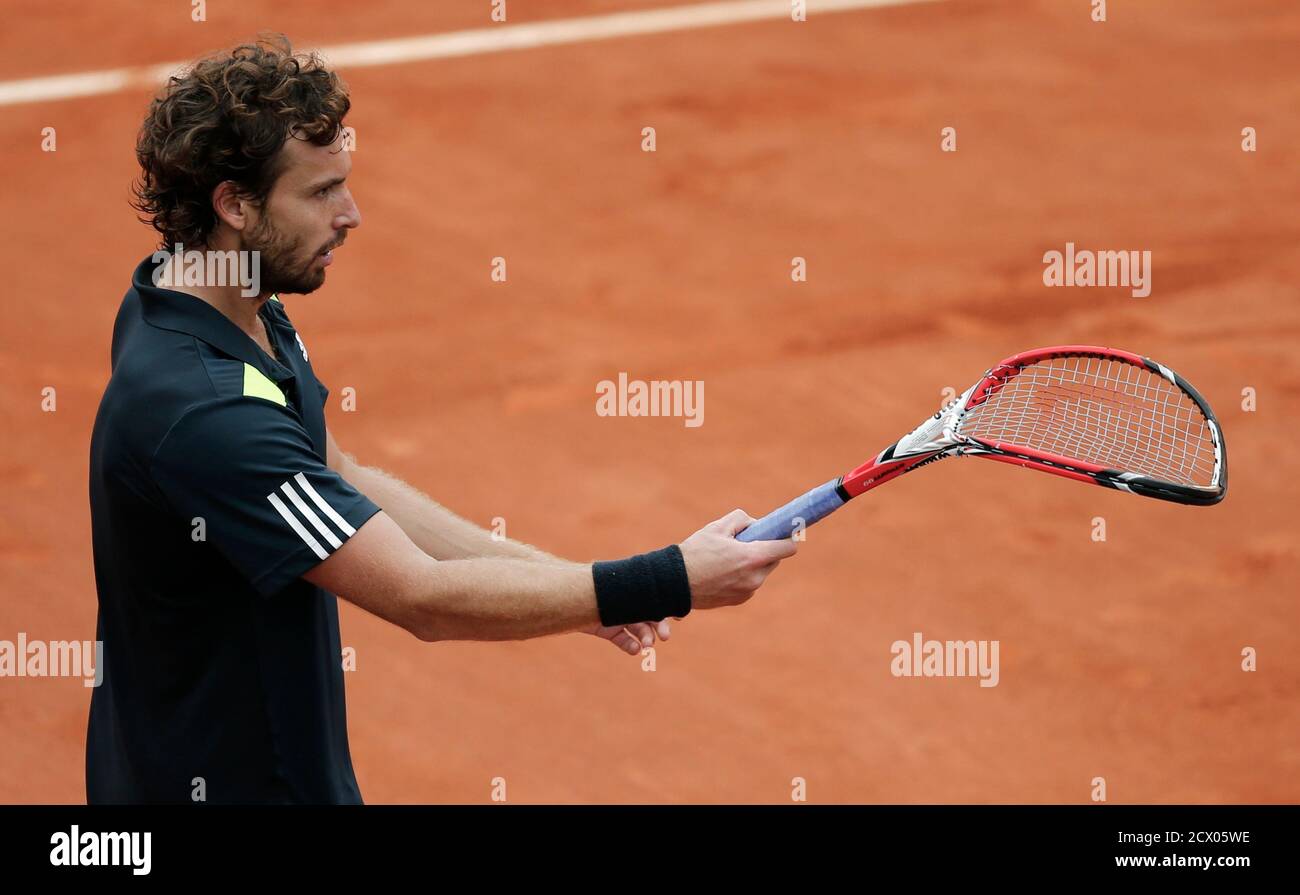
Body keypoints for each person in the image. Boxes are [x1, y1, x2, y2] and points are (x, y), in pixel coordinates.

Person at [86, 35, 797, 804]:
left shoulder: (205, 294)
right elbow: (420, 596)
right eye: (321, 192)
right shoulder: (207, 410)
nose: (352, 214)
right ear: (235, 204)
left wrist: (560, 585)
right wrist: (667, 578)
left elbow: (339, 476)